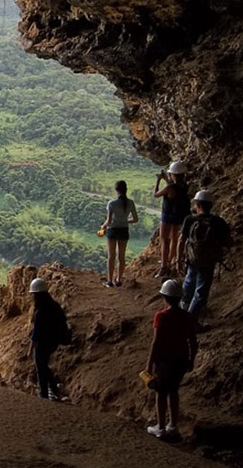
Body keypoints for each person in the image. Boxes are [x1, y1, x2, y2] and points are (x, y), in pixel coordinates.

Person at [145, 279, 197, 439]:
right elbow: (193, 341)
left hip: (164, 361)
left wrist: (149, 364)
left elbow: (156, 342)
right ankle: (173, 425)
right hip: (181, 360)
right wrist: (191, 360)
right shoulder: (187, 316)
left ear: (165, 297)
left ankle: (160, 427)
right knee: (173, 391)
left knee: (161, 392)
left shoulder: (161, 316)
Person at [177, 189, 231, 321]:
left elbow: (181, 240)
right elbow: (228, 241)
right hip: (208, 261)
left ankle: (183, 314)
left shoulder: (189, 219)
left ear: (197, 205)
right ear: (211, 205)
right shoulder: (218, 222)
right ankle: (191, 320)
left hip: (192, 259)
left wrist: (178, 259)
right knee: (201, 291)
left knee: (188, 284)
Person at [25, 278, 70, 401]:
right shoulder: (55, 306)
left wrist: (30, 350)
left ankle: (44, 393)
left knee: (41, 367)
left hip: (43, 343)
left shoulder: (40, 312)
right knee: (43, 365)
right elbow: (63, 321)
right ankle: (53, 390)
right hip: (54, 341)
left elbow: (37, 333)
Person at [98, 180, 138, 287]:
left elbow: (109, 221)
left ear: (116, 190)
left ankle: (109, 281)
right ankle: (118, 280)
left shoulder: (112, 204)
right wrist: (125, 221)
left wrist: (103, 227)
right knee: (122, 257)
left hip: (112, 231)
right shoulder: (130, 203)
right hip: (124, 230)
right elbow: (135, 219)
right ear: (126, 189)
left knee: (111, 256)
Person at [154, 161, 190, 277]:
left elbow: (156, 194)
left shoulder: (169, 188)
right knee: (174, 239)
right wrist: (166, 179)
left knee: (164, 240)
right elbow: (174, 187)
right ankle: (172, 260)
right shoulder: (184, 186)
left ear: (173, 174)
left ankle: (164, 266)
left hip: (167, 216)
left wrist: (158, 180)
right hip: (179, 216)